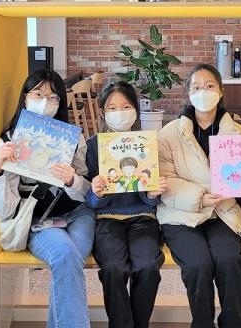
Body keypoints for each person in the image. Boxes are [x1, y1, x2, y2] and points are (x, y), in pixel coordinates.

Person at [0, 69, 94, 328]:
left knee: (67, 263)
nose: (45, 102)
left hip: (78, 214)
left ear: (60, 103)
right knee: (67, 257)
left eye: (53, 97)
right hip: (37, 219)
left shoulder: (73, 138)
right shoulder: (9, 142)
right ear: (25, 97)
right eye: (38, 94)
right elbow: (4, 209)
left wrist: (72, 180)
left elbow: (87, 193)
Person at [157, 63, 241, 328]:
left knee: (229, 260)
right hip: (181, 215)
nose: (203, 92)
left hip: (222, 212)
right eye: (196, 87)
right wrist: (198, 197)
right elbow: (165, 179)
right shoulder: (169, 134)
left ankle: (234, 323)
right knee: (198, 264)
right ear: (188, 93)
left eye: (209, 86)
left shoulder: (240, 133)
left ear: (221, 91)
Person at [86, 81, 166, 328]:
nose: (119, 112)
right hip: (107, 219)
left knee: (148, 266)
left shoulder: (147, 144)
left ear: (136, 110)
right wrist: (96, 193)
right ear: (103, 112)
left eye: (126, 106)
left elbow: (153, 195)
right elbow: (89, 198)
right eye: (112, 108)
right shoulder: (93, 146)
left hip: (143, 217)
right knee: (113, 268)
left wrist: (152, 194)